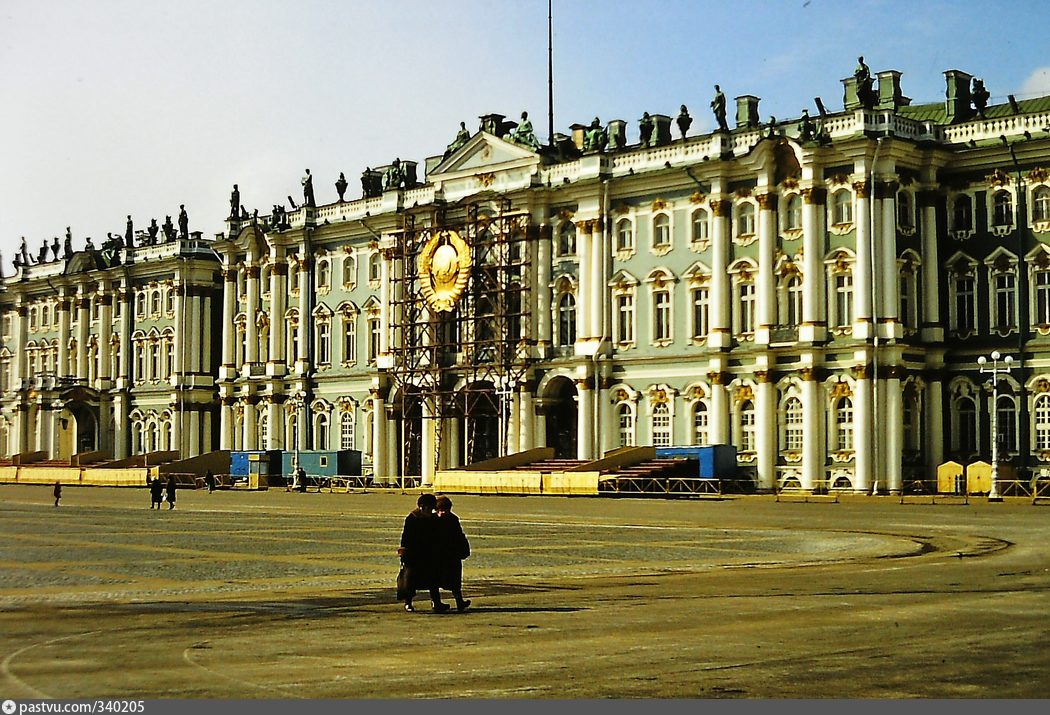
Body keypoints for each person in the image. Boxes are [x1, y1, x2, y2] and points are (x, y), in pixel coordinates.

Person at [398, 493, 450, 613]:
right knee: (410, 580)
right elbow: (406, 537)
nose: (429, 510)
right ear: (422, 506)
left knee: (433, 579)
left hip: (429, 553)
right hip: (414, 554)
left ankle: (436, 602)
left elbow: (437, 536)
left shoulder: (433, 518)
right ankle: (408, 603)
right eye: (428, 507)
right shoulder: (412, 518)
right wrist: (404, 552)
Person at [434, 495, 471, 612]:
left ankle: (459, 601)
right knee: (434, 580)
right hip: (437, 555)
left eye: (445, 510)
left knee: (455, 580)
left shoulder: (453, 519)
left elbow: (459, 536)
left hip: (451, 555)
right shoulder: (433, 520)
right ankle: (436, 602)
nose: (443, 512)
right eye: (440, 510)